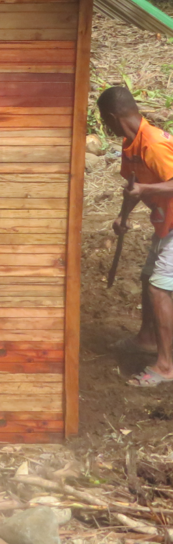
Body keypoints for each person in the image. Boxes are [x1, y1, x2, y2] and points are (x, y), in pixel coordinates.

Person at [98, 86, 173, 386]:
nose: (104, 125)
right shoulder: (131, 145)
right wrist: (123, 215)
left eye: (104, 119)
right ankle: (147, 338)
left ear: (113, 117)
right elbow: (133, 185)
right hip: (166, 221)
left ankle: (166, 367)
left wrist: (147, 191)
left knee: (159, 289)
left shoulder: (153, 144)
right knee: (147, 277)